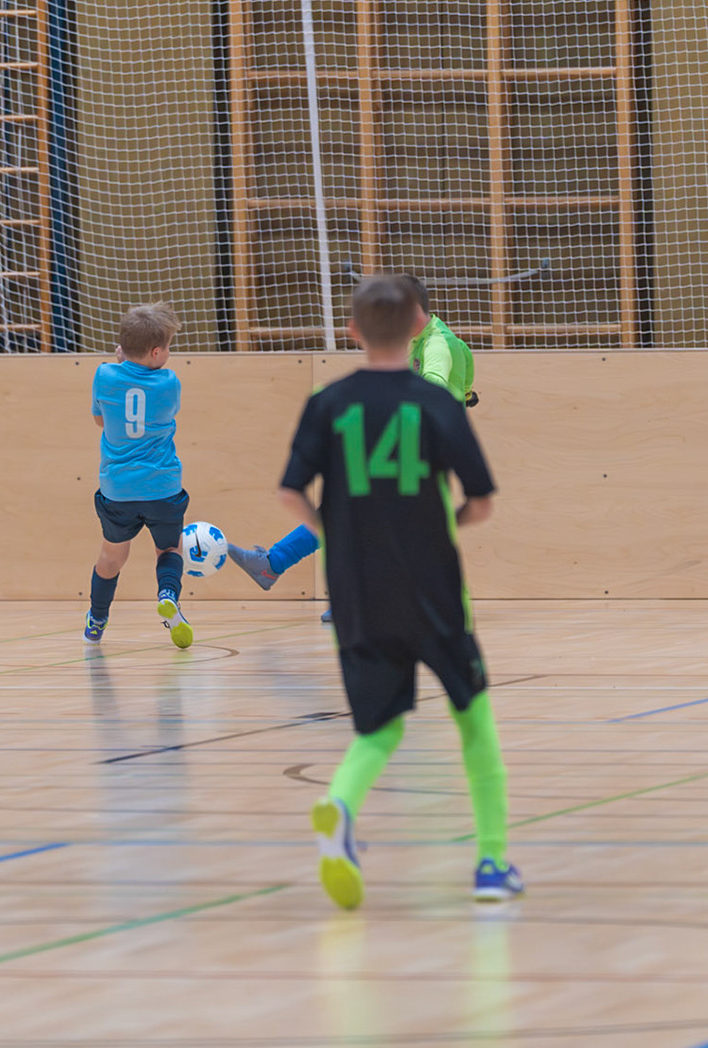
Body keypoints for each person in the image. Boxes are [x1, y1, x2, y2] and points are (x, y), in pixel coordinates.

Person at [278, 274, 521, 908]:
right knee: (474, 722)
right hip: (432, 585)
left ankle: (340, 803)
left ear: (352, 331)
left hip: (358, 588)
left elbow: (289, 491)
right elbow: (482, 502)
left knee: (378, 729)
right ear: (419, 326)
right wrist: (443, 525)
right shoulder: (437, 403)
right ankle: (492, 863)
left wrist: (333, 532)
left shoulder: (328, 403)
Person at [232, 275, 478, 617]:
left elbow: (431, 389)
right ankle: (276, 564)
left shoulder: (436, 345)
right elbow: (465, 379)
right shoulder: (432, 340)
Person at [85, 301, 193, 650]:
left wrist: (122, 364)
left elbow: (100, 420)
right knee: (169, 548)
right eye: (168, 348)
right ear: (156, 352)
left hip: (118, 490)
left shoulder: (104, 375)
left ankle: (97, 620)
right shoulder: (169, 383)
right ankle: (168, 595)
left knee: (112, 557)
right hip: (162, 487)